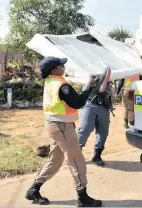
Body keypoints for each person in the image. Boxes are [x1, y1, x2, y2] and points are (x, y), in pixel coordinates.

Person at [25, 57, 102, 207]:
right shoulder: (61, 85)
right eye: (61, 65)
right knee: (76, 159)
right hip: (62, 127)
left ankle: (33, 189)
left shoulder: (51, 81)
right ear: (54, 70)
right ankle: (82, 197)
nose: (64, 67)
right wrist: (88, 88)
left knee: (56, 159)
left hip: (55, 125)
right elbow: (78, 102)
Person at [77, 69, 113, 167]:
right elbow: (89, 88)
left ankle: (97, 155)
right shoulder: (92, 70)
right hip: (90, 103)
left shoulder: (110, 72)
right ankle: (75, 155)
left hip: (104, 105)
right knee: (85, 129)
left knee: (103, 132)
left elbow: (104, 89)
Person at [116, 57, 142, 128]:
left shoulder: (127, 68)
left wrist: (117, 91)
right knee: (134, 107)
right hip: (136, 90)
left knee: (126, 107)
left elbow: (121, 80)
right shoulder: (140, 68)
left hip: (127, 89)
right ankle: (133, 122)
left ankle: (126, 123)